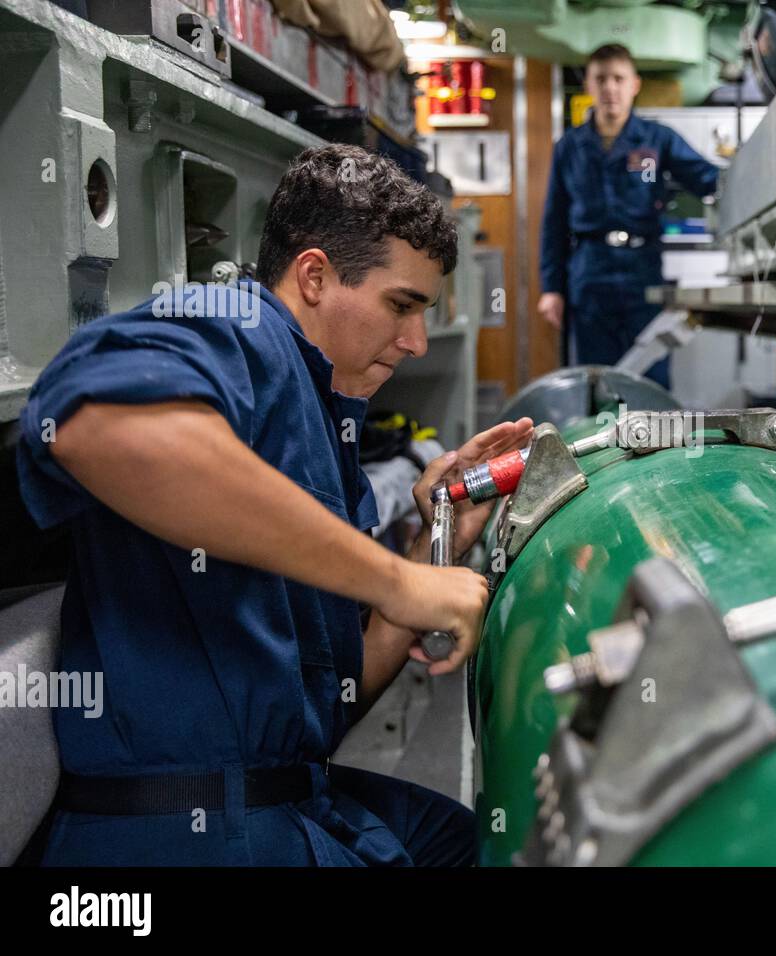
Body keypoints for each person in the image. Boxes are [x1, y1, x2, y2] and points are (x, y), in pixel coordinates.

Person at [18, 144, 533, 865]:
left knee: (468, 839)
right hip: (181, 829)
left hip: (286, 794)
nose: (417, 342)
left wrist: (433, 547)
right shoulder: (237, 326)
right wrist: (398, 581)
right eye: (401, 306)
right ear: (315, 275)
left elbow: (332, 704)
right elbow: (95, 425)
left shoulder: (322, 409)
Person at [538, 43, 721, 390]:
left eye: (618, 78)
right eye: (601, 79)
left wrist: (751, 171)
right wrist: (551, 289)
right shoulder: (569, 147)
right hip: (588, 272)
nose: (610, 88)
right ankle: (599, 443)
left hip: (643, 270)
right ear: (588, 85)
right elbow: (554, 222)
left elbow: (709, 179)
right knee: (594, 378)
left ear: (634, 84)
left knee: (650, 374)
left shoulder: (657, 139)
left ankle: (656, 445)